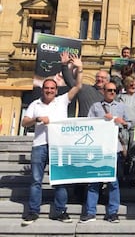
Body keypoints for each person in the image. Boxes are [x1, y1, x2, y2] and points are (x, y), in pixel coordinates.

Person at [21, 54, 83, 226]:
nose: (49, 90)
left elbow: (78, 86)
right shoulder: (35, 105)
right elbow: (24, 122)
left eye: (52, 88)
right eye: (46, 88)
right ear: (43, 89)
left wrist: (79, 68)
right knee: (36, 181)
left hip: (58, 147)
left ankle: (60, 211)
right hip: (39, 146)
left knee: (60, 181)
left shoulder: (63, 101)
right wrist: (37, 119)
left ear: (56, 90)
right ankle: (33, 211)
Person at [80, 82, 132, 223]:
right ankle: (91, 212)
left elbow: (131, 124)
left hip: (114, 148)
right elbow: (87, 124)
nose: (112, 93)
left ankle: (113, 212)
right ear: (103, 91)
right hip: (98, 148)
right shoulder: (95, 107)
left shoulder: (121, 107)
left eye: (115, 90)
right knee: (94, 181)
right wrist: (102, 120)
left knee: (113, 182)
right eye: (109, 90)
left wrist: (122, 122)